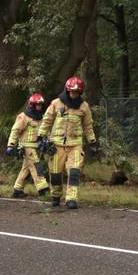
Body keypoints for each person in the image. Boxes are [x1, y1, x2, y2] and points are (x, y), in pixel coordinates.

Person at [38, 76, 98, 209]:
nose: (74, 95)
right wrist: (40, 135)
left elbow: (88, 126)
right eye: (72, 92)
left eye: (77, 92)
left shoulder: (84, 107)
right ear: (67, 90)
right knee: (55, 173)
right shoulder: (56, 103)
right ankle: (56, 194)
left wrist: (92, 141)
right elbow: (47, 120)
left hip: (75, 144)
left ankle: (71, 198)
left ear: (80, 93)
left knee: (74, 172)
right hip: (57, 144)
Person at [7, 93, 51, 198]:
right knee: (37, 167)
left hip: (35, 147)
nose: (40, 107)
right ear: (32, 105)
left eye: (41, 105)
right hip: (26, 147)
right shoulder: (23, 117)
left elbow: (44, 131)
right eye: (37, 105)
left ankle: (17, 189)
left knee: (26, 169)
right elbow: (15, 130)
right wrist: (11, 145)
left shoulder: (40, 117)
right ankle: (43, 189)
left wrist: (47, 141)